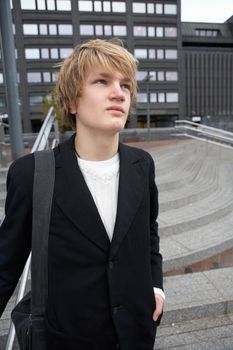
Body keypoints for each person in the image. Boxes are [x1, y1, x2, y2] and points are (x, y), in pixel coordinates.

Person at [0, 39, 164, 350]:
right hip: (68, 338)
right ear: (73, 102)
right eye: (102, 81)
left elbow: (149, 234)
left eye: (126, 85)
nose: (119, 93)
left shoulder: (142, 165)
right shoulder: (32, 174)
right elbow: (6, 264)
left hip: (136, 334)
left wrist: (156, 285)